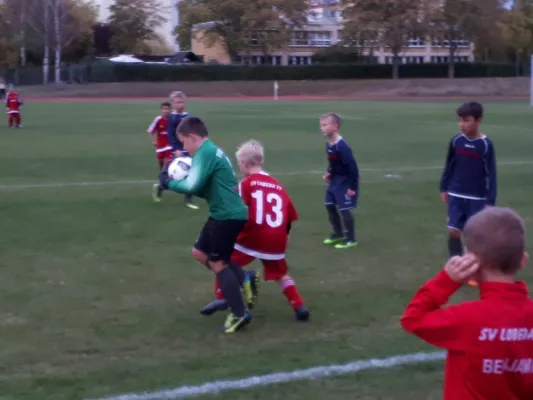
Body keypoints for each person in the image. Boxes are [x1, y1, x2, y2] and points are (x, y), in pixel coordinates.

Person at [401, 206, 533, 400]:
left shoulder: (466, 319)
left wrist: (446, 281)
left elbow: (413, 318)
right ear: (523, 260)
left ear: (471, 263)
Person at [159, 116, 252, 333]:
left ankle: (239, 314)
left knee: (219, 263)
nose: (184, 147)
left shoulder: (205, 153)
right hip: (223, 213)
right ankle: (245, 280)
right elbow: (205, 189)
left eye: (184, 142)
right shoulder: (211, 151)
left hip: (227, 216)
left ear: (192, 137)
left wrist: (168, 182)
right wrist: (171, 184)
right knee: (200, 253)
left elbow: (192, 185)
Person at [200, 140, 310, 321]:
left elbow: (235, 211)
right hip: (276, 239)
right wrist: (286, 236)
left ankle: (224, 298)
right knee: (281, 274)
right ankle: (299, 306)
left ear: (244, 163)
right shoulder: (278, 186)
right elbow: (289, 215)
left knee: (220, 263)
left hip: (252, 236)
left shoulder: (246, 184)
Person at [440, 102, 497, 271]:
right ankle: (456, 264)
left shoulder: (485, 145)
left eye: (466, 120)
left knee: (474, 235)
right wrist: (444, 187)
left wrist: (490, 200)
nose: (462, 124)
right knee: (453, 231)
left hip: (477, 197)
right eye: (460, 120)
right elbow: (449, 165)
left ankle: (475, 267)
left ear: (478, 120)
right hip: (456, 193)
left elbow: (491, 174)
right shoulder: (456, 141)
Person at [153, 91, 198, 208]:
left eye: (182, 102)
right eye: (178, 102)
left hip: (188, 150)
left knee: (191, 173)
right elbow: (171, 135)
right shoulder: (172, 118)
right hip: (177, 151)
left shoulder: (188, 117)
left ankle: (188, 200)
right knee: (171, 174)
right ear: (173, 105)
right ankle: (160, 187)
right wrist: (175, 150)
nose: (181, 104)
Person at [321, 112, 359, 249]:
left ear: (335, 127)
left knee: (344, 209)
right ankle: (338, 234)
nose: (322, 128)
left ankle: (351, 239)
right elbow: (334, 164)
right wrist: (329, 173)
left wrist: (352, 187)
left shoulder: (342, 146)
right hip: (335, 180)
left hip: (345, 181)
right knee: (329, 204)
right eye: (321, 125)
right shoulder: (329, 144)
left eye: (325, 125)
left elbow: (353, 168)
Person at [147, 101, 172, 171]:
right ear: (161, 110)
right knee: (160, 159)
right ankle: (162, 172)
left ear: (171, 110)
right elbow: (151, 130)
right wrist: (154, 140)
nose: (166, 111)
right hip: (161, 144)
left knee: (169, 160)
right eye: (164, 109)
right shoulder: (158, 119)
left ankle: (168, 173)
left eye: (167, 109)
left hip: (170, 144)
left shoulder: (173, 118)